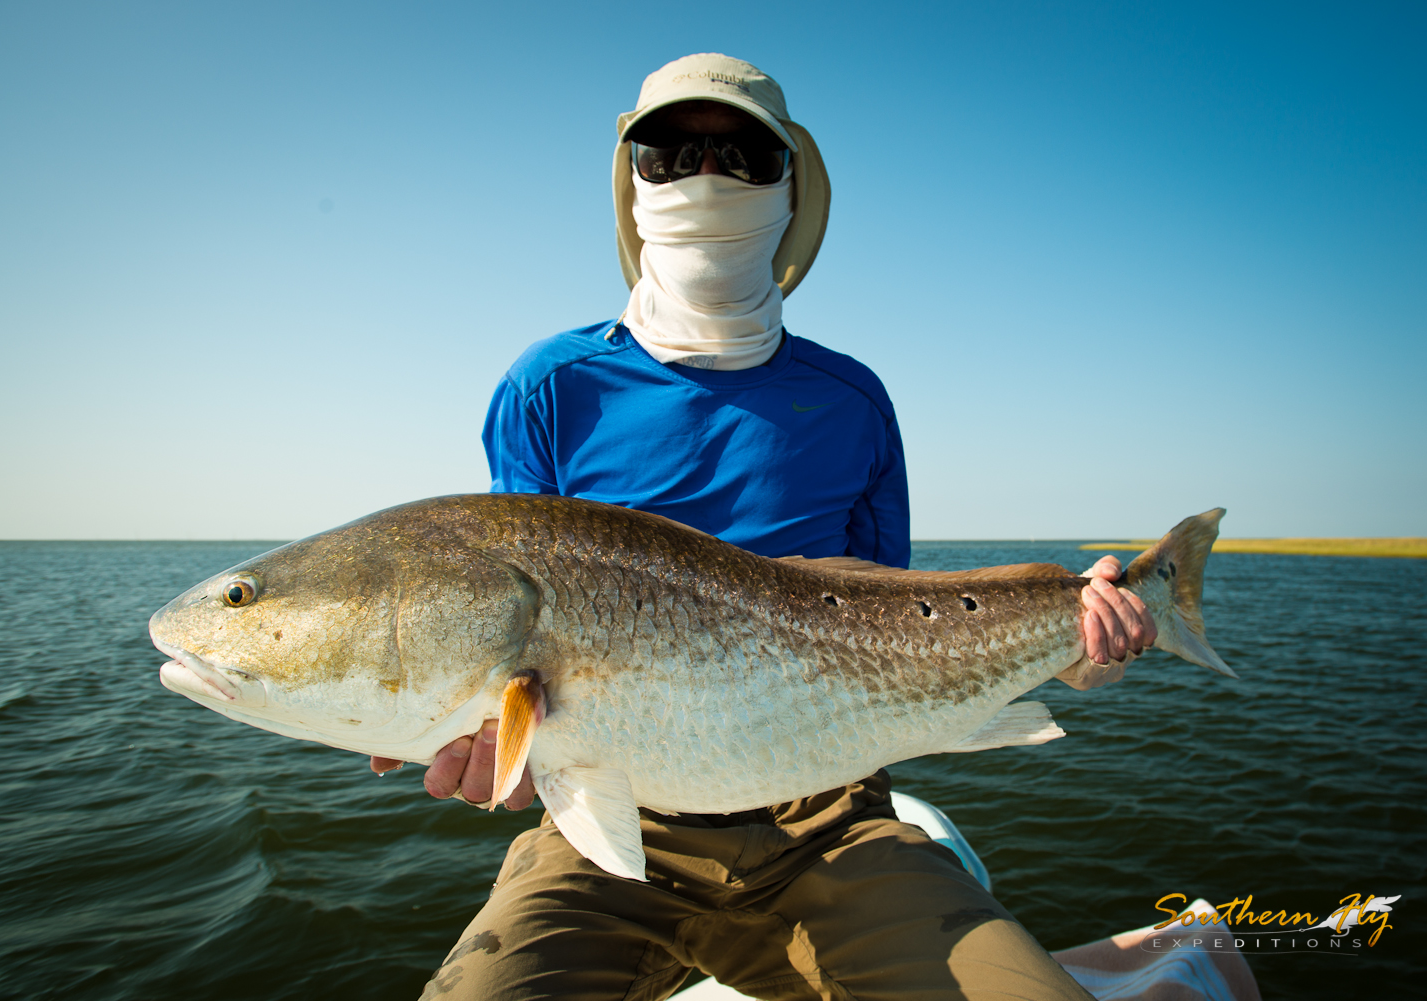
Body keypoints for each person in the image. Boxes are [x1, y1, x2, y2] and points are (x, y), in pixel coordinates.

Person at [371, 53, 1156, 1001]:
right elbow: (515, 624)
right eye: (668, 151)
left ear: (790, 187)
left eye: (742, 152)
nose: (705, 172)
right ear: (632, 183)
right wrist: (491, 735)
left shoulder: (853, 399)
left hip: (835, 823)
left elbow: (888, 625)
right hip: (608, 825)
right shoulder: (549, 386)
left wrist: (1071, 646)